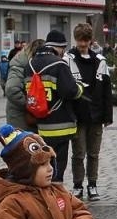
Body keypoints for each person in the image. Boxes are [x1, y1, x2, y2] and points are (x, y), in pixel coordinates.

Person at [67, 24, 112, 201]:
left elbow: (106, 90)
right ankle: (78, 185)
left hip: (96, 115)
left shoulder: (100, 60)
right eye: (79, 41)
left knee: (94, 153)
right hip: (77, 116)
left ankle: (92, 184)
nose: (82, 44)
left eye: (85, 41)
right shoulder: (68, 59)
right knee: (78, 153)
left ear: (90, 41)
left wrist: (108, 116)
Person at [29, 31, 83, 182]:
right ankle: (55, 194)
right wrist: (80, 88)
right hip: (61, 123)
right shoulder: (59, 64)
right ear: (59, 47)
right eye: (63, 48)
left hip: (41, 123)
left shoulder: (31, 64)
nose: (63, 52)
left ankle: (44, 190)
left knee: (45, 161)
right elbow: (71, 91)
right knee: (58, 163)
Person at [3, 38, 44, 131]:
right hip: (20, 120)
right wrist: (30, 104)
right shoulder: (19, 66)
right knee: (25, 144)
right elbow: (12, 89)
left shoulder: (27, 64)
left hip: (25, 119)